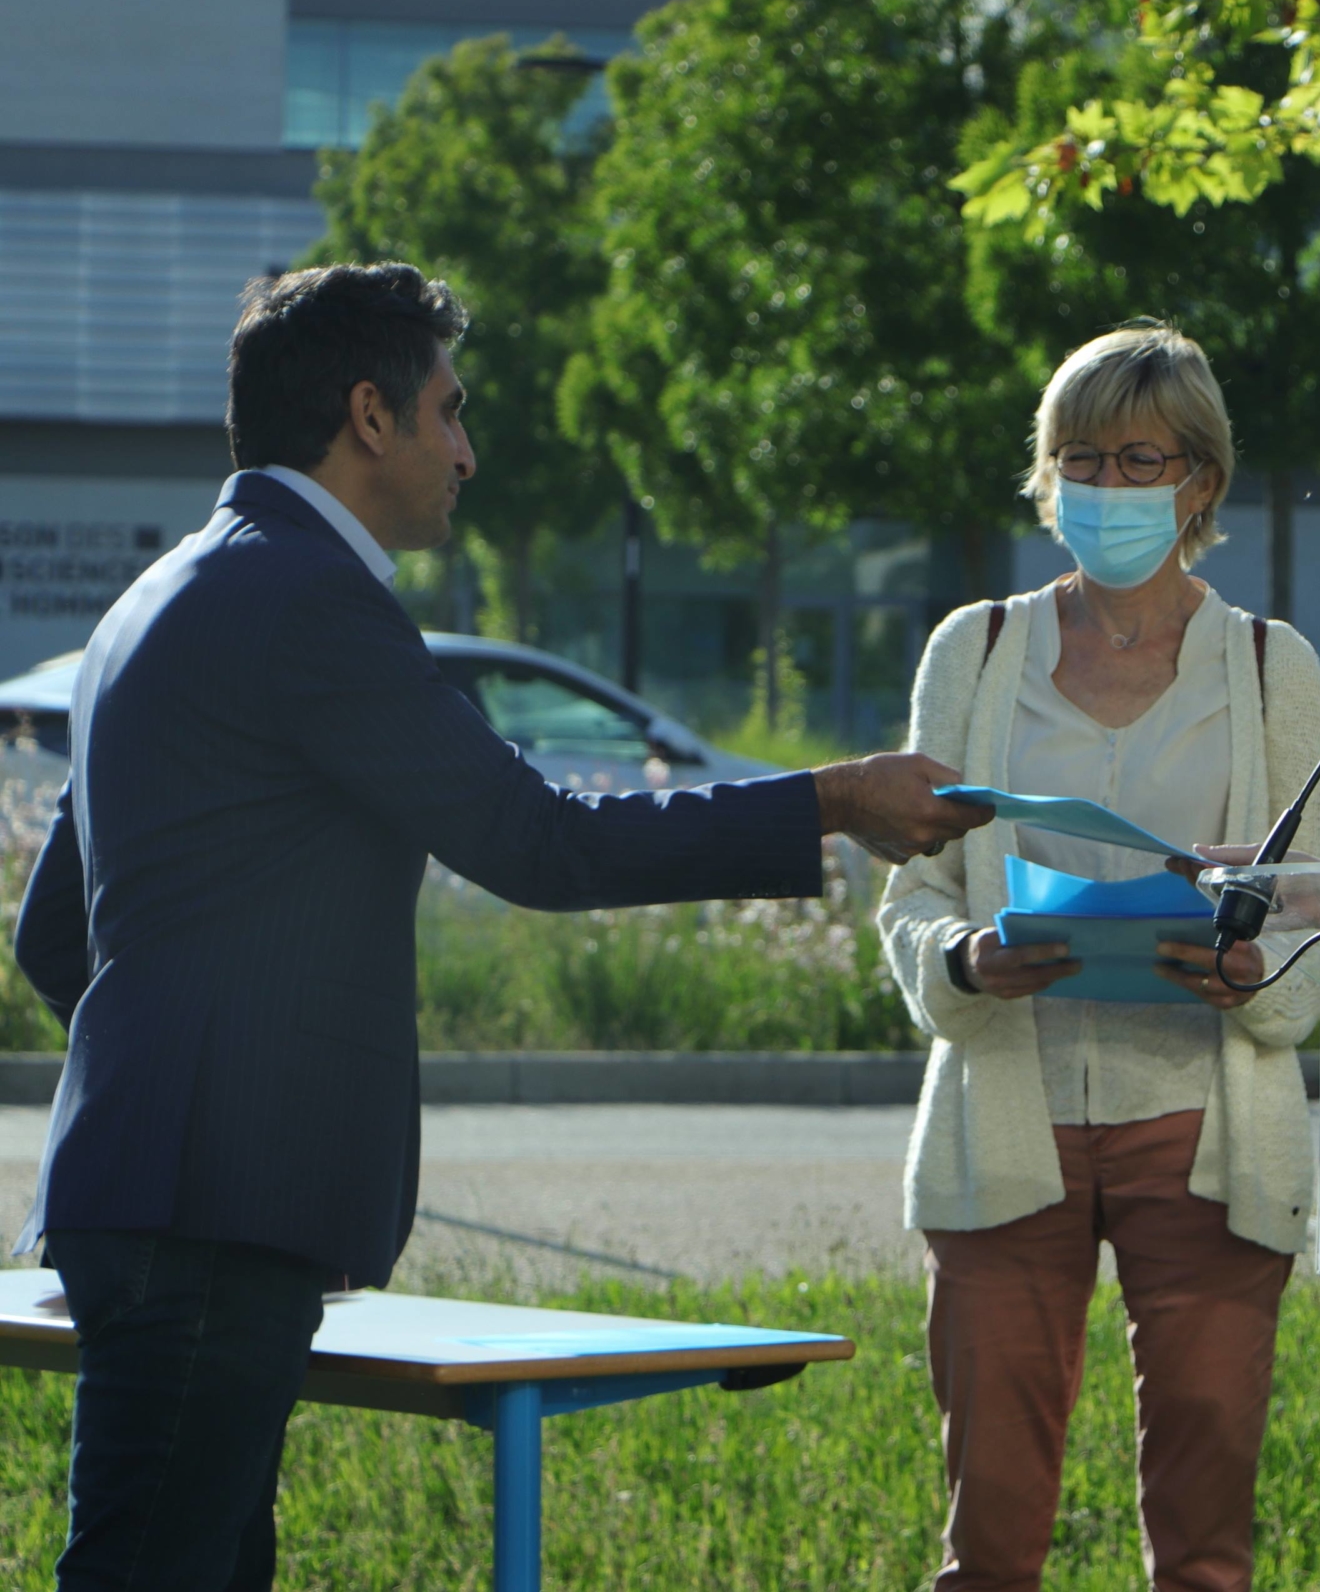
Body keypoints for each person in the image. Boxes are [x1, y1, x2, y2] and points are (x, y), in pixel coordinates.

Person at [9, 262, 990, 1592]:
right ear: (370, 415)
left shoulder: (158, 596)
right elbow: (545, 842)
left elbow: (53, 940)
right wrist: (825, 796)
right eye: (451, 411)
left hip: (155, 1206)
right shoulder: (310, 601)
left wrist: (163, 1086)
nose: (467, 451)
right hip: (215, 1223)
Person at [878, 323, 1320, 1592]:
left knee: (1204, 1540)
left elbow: (1313, 912)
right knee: (991, 1539)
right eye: (1079, 457)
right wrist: (964, 958)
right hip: (1009, 1104)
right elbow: (914, 886)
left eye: (1139, 457)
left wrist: (1257, 976)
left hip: (1201, 1121)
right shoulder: (971, 651)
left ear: (1198, 478)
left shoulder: (1268, 663)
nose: (1107, 485)